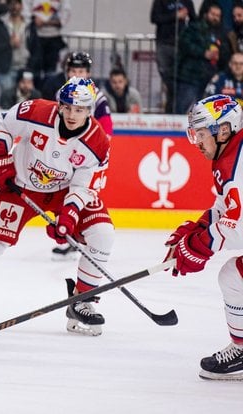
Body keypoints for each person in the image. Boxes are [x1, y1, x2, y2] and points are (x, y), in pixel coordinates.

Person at [0, 77, 113, 337]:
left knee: (103, 234)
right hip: (21, 186)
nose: (72, 115)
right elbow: (6, 122)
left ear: (89, 110)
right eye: (68, 107)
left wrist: (69, 216)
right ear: (60, 105)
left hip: (64, 191)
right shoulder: (37, 111)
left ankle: (83, 300)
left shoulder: (97, 143)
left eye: (80, 109)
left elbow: (83, 186)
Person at [165, 94, 243, 380]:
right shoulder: (231, 153)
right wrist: (195, 230)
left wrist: (197, 247)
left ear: (223, 130)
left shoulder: (236, 165)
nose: (196, 142)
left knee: (234, 278)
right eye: (194, 133)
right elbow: (227, 208)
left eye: (200, 134)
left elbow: (238, 227)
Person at [40, 52, 113, 260]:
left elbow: (106, 128)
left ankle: (81, 236)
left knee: (83, 195)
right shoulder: (63, 93)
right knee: (65, 194)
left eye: (81, 71)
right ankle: (69, 234)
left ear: (88, 73)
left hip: (86, 157)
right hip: (63, 155)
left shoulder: (96, 97)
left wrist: (94, 150)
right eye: (73, 70)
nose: (77, 74)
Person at [175, 3, 231, 114]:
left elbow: (226, 52)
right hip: (191, 76)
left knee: (206, 112)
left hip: (211, 79)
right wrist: (203, 53)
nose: (215, 17)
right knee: (183, 108)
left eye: (217, 15)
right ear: (206, 14)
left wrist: (220, 54)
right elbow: (184, 44)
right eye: (213, 14)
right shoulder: (194, 27)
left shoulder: (222, 33)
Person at [151, 0, 196, 114]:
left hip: (181, 46)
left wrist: (189, 35)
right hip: (164, 43)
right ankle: (171, 111)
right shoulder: (160, 2)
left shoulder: (187, 1)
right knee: (169, 81)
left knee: (180, 82)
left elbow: (194, 19)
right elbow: (154, 18)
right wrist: (175, 15)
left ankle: (175, 112)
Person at [23, 0, 70, 79]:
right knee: (34, 70)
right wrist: (34, 19)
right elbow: (25, 11)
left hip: (54, 38)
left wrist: (46, 22)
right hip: (36, 38)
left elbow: (65, 15)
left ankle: (48, 90)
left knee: (51, 72)